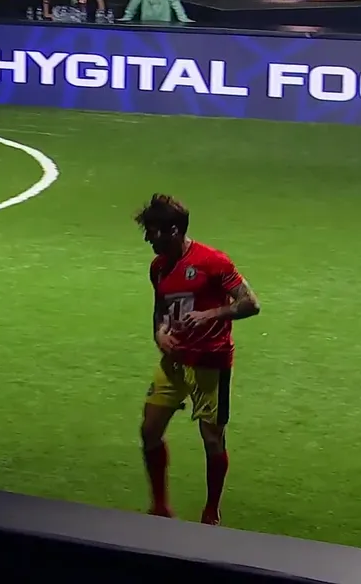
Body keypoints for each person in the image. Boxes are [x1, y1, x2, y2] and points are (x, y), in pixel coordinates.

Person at [136, 194, 260, 525]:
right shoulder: (158, 267)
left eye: (152, 232)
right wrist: (159, 334)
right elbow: (160, 310)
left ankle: (211, 511)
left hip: (210, 364)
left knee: (212, 440)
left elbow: (250, 303)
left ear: (174, 231)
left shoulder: (213, 262)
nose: (148, 239)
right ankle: (160, 506)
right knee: (149, 430)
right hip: (174, 364)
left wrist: (210, 314)